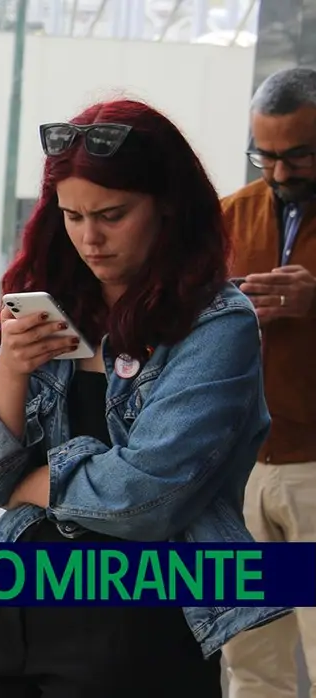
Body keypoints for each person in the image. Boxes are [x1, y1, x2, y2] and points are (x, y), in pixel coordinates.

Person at [0, 100, 291, 698]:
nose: (89, 237)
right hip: (7, 599)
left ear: (167, 206)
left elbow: (148, 494)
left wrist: (32, 481)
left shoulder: (216, 321)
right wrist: (10, 365)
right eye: (72, 215)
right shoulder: (43, 299)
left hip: (142, 607)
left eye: (112, 215)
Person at [222, 67, 316, 698]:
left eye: (299, 155)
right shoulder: (227, 216)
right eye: (266, 156)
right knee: (251, 660)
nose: (279, 174)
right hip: (237, 472)